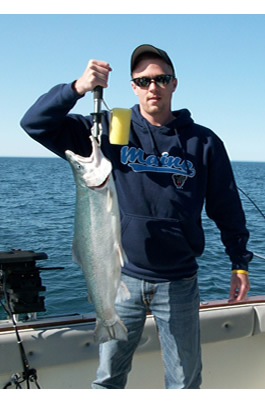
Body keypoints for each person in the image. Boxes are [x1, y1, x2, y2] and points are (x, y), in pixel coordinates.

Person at [20, 44, 253, 389]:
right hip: (120, 279)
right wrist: (76, 88)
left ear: (174, 84)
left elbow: (226, 208)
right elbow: (35, 123)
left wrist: (239, 263)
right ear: (133, 87)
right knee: (108, 379)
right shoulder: (111, 128)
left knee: (185, 381)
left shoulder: (203, 142)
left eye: (161, 79)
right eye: (143, 81)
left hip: (179, 281)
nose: (152, 87)